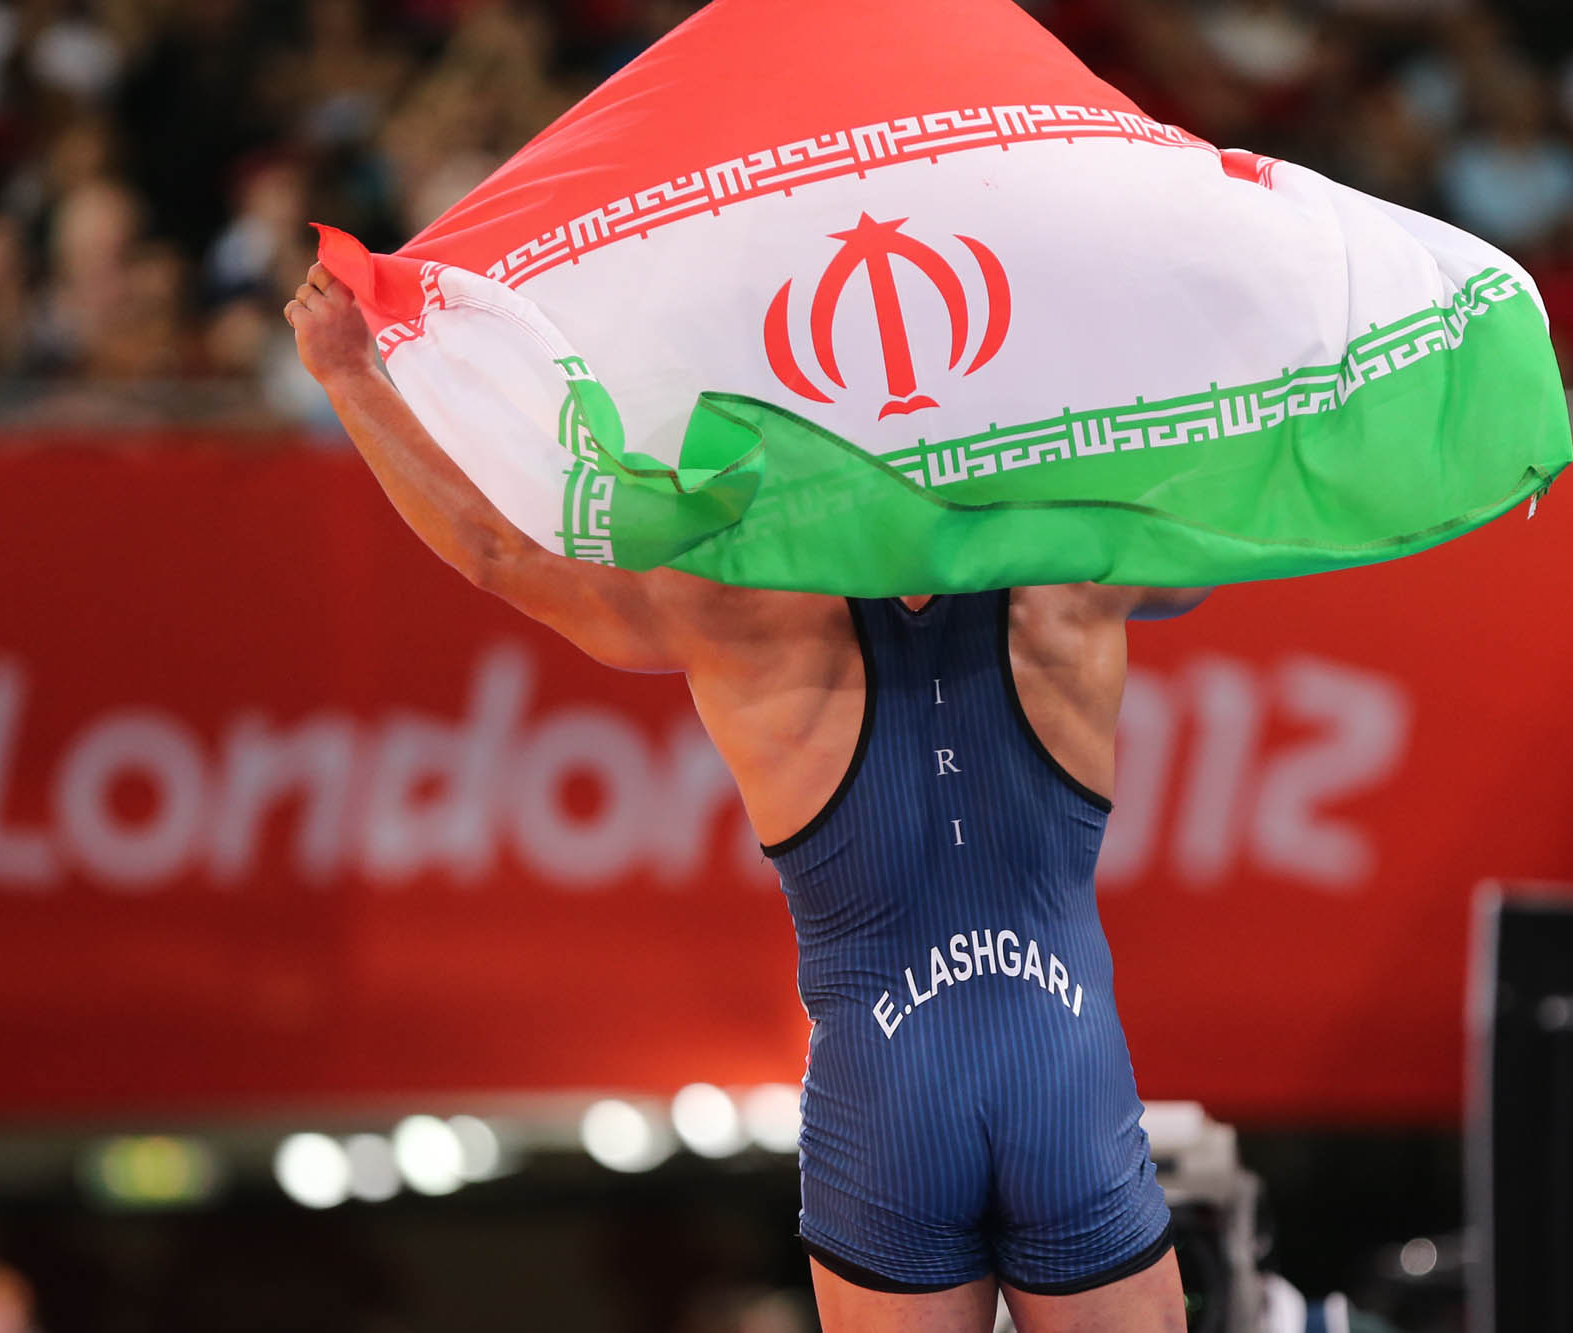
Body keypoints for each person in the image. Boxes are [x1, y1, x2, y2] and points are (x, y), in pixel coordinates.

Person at [288, 263, 1200, 1333]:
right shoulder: (1078, 577)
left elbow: (499, 549)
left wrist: (350, 374)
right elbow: (1211, 535)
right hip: (1065, 1067)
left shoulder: (743, 614)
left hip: (882, 1097)